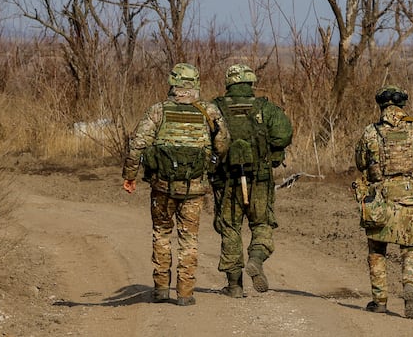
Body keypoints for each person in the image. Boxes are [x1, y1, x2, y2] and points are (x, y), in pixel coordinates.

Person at [122, 63, 228, 306]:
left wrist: (130, 176)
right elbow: (222, 144)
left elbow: (137, 144)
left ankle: (160, 289)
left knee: (161, 233)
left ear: (173, 84)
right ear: (195, 84)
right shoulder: (209, 112)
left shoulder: (158, 111)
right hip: (194, 188)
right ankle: (185, 293)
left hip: (162, 187)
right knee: (189, 239)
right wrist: (212, 164)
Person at [210, 64, 294, 297]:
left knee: (230, 228)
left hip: (226, 181)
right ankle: (256, 258)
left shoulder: (215, 108)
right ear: (250, 84)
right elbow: (284, 134)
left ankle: (234, 285)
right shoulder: (264, 108)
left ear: (229, 84)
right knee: (262, 224)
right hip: (260, 179)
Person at [355, 85, 413, 319]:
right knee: (409, 248)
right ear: (401, 106)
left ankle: (379, 300)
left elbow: (360, 162)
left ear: (381, 106)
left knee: (377, 249)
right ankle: (410, 286)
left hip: (379, 199)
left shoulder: (370, 132)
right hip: (410, 197)